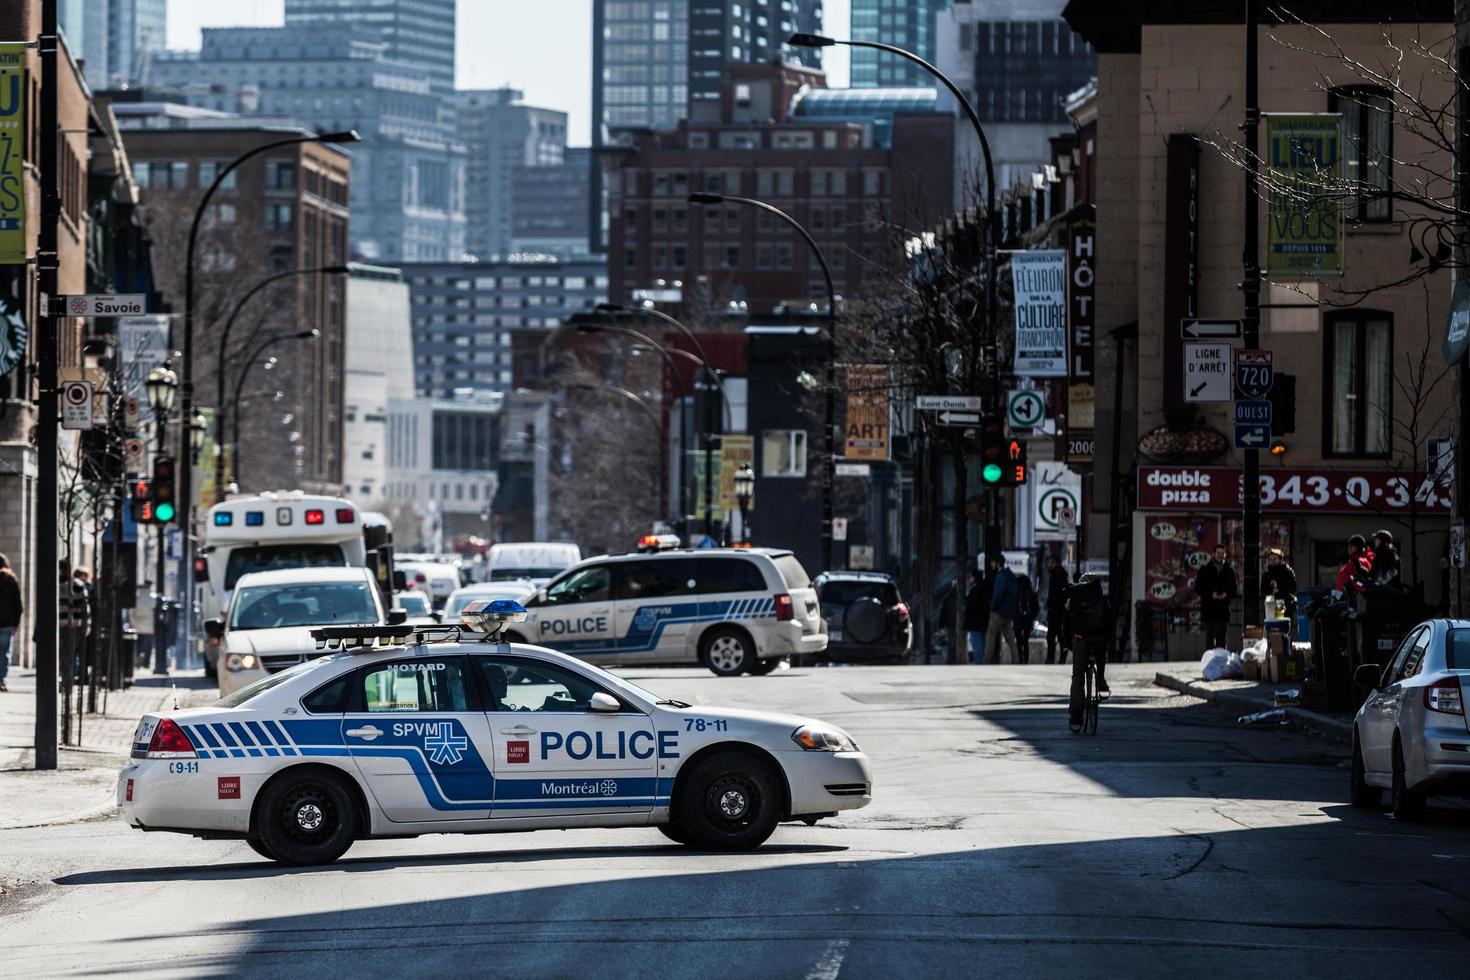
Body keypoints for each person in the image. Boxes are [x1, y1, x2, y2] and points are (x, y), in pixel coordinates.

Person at [1063, 576, 1112, 727]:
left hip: (1080, 637)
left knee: (1078, 674)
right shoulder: (1100, 598)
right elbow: (1109, 620)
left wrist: (1067, 642)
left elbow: (1065, 622)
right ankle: (1101, 679)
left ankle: (1076, 715)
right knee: (1100, 654)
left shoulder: (1073, 599)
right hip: (1098, 638)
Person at [1192, 544, 1237, 649]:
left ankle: (1220, 663)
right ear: (1213, 554)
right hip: (1209, 610)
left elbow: (1234, 590)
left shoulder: (1229, 571)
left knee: (1221, 640)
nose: (1220, 555)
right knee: (1209, 640)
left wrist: (1226, 594)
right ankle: (1209, 663)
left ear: (1225, 555)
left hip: (1223, 610)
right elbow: (1198, 588)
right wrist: (1211, 594)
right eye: (1218, 553)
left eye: (1222, 553)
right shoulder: (1205, 569)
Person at [983, 557, 1020, 664]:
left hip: (998, 612)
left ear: (998, 564)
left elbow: (998, 594)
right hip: (1008, 613)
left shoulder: (1000, 576)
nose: (991, 565)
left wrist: (993, 606)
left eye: (993, 562)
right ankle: (1016, 660)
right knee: (1010, 638)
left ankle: (986, 660)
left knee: (991, 635)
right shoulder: (1011, 576)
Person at [1261, 548, 1298, 631]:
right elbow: (1263, 590)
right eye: (1270, 559)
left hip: (1285, 603)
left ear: (1280, 559)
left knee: (1284, 628)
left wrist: (1280, 588)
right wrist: (1272, 590)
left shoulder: (1287, 571)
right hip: (1271, 604)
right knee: (1272, 628)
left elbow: (1293, 587)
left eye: (1274, 559)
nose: (1272, 561)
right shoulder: (1267, 573)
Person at [1043, 556, 1070, 664]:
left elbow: (1057, 594)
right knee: (1057, 636)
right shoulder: (1057, 574)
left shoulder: (1058, 575)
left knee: (1053, 637)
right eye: (1049, 562)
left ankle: (1052, 658)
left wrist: (1050, 603)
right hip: (1057, 611)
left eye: (1052, 562)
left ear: (1057, 563)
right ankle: (1057, 658)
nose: (1050, 565)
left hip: (1057, 612)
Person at [0, 553, 21, 693]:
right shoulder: (11, 579)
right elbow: (18, 605)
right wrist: (16, 623)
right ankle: (1, 680)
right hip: (7, 622)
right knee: (4, 653)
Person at [962, 568, 990, 665]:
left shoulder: (974, 591)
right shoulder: (985, 590)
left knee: (976, 642)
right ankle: (982, 660)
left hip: (975, 622)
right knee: (982, 642)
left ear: (975, 578)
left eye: (971, 577)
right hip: (983, 621)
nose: (970, 579)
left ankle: (979, 661)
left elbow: (970, 607)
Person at [1013, 572, 1037, 665]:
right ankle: (1026, 659)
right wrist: (1032, 617)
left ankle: (1020, 658)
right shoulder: (1032, 593)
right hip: (1028, 620)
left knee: (1018, 640)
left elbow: (1013, 606)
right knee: (1025, 640)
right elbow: (1036, 607)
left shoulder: (1016, 593)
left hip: (1017, 620)